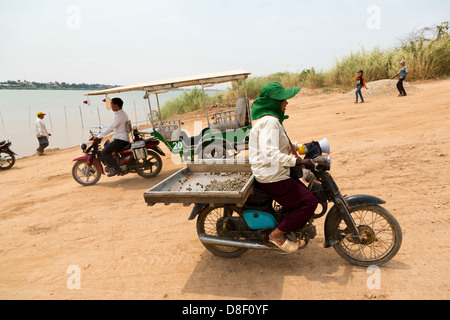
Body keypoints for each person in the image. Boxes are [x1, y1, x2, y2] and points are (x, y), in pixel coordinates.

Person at [249, 82, 318, 253]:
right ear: (274, 102)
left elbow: (280, 146)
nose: (286, 103)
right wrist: (299, 161)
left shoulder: (272, 121)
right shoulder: (270, 122)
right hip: (273, 177)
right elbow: (271, 154)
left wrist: (302, 147)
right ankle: (277, 235)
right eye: (283, 100)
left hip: (276, 173)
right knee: (309, 202)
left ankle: (288, 224)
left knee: (303, 196)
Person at [94, 97, 130, 177]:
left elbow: (111, 128)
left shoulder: (119, 116)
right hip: (122, 138)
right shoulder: (122, 113)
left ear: (116, 105)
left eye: (112, 105)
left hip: (121, 140)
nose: (111, 107)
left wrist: (99, 136)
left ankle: (116, 169)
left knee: (104, 152)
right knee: (108, 147)